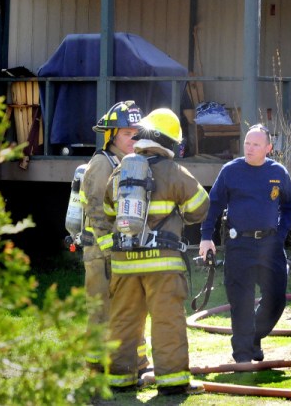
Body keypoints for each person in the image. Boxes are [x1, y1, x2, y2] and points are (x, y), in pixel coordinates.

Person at [102, 108, 210, 394]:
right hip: (161, 263)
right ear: (170, 141)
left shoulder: (120, 171)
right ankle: (173, 382)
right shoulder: (174, 171)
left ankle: (119, 380)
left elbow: (108, 211)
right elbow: (201, 207)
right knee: (166, 321)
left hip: (125, 263)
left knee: (124, 320)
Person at [198, 124, 291, 363]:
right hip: (239, 244)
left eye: (256, 144)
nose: (250, 148)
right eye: (247, 144)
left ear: (268, 148)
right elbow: (214, 205)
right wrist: (206, 236)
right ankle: (242, 355)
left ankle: (254, 338)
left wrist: (280, 235)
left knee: (276, 299)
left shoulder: (278, 172)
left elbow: (289, 206)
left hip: (269, 245)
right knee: (240, 302)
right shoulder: (230, 171)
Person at [80, 100, 149, 372]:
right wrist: (110, 250)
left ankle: (138, 360)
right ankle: (96, 366)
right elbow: (96, 210)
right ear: (111, 135)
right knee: (101, 311)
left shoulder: (130, 163)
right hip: (101, 254)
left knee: (131, 309)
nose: (133, 139)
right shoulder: (102, 163)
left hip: (123, 251)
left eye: (136, 134)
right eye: (126, 134)